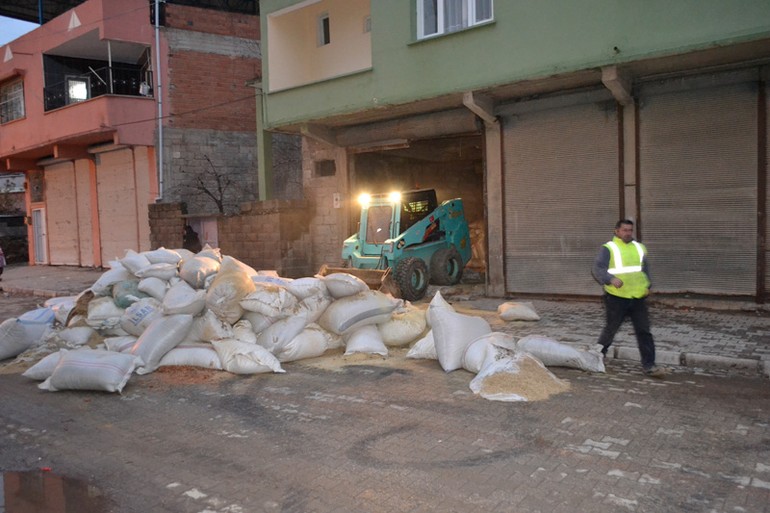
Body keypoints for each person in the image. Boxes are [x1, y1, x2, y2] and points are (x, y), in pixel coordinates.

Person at [592, 219, 665, 378]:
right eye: (624, 230)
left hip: (637, 298)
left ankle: (649, 365)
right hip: (616, 298)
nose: (628, 233)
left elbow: (644, 270)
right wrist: (609, 278)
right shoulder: (609, 248)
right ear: (616, 231)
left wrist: (648, 286)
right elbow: (598, 268)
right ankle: (595, 358)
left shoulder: (639, 248)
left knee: (644, 331)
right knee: (611, 330)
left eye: (630, 230)